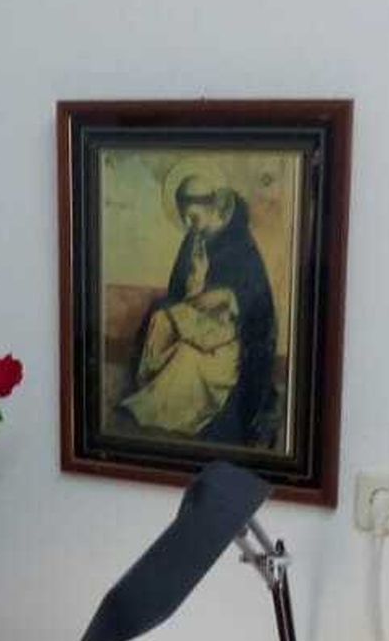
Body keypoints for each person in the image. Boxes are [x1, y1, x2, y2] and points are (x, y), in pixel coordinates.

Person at [118, 171, 279, 447]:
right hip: (197, 323)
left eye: (192, 217)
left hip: (229, 339)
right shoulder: (193, 239)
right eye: (184, 217)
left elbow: (257, 301)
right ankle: (152, 391)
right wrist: (192, 292)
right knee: (159, 320)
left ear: (213, 207)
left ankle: (172, 411)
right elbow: (179, 291)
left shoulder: (240, 244)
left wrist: (227, 296)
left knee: (186, 357)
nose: (187, 223)